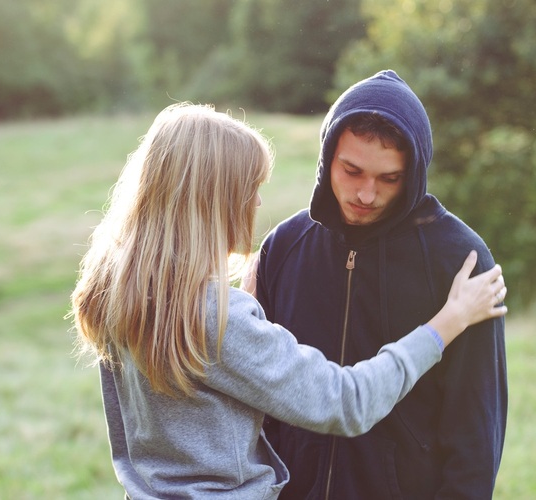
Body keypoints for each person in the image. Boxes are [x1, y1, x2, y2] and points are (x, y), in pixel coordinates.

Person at [70, 102, 508, 499]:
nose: (258, 200)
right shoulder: (218, 312)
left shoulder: (117, 293)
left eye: (388, 178)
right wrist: (446, 323)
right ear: (212, 199)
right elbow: (346, 402)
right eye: (250, 187)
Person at [254, 70, 508, 499]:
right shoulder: (284, 246)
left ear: (413, 173)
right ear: (326, 157)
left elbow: (476, 430)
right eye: (351, 170)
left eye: (389, 178)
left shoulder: (460, 260)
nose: (366, 194)